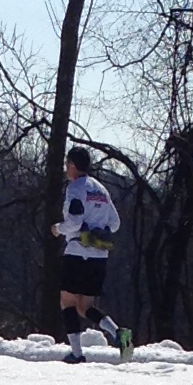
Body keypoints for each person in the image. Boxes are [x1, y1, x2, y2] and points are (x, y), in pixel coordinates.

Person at [51, 147, 123, 362]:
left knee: (68, 302)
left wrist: (57, 229)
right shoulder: (101, 190)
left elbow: (73, 221)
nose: (66, 169)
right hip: (99, 256)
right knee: (86, 307)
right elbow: (115, 223)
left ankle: (76, 353)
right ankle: (117, 333)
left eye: (67, 165)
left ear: (72, 165)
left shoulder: (75, 189)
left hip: (76, 252)